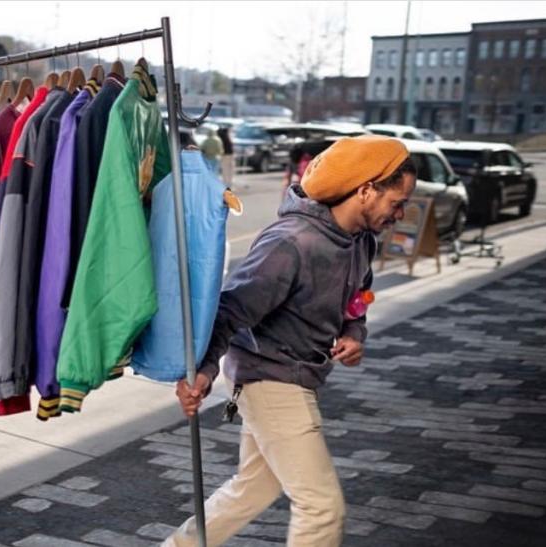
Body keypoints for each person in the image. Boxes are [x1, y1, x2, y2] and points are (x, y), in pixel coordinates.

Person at [164, 135, 417, 547]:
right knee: (322, 507)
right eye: (397, 202)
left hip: (297, 374)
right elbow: (230, 311)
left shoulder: (361, 241)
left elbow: (358, 296)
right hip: (270, 377)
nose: (402, 213)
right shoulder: (291, 243)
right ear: (367, 190)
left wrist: (354, 333)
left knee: (252, 488)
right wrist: (203, 372)